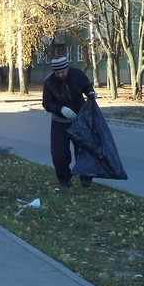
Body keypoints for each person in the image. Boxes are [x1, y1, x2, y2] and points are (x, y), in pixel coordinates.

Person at [41, 55, 97, 187]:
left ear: (67, 68)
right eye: (57, 73)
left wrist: (91, 93)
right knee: (59, 153)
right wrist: (60, 109)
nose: (60, 75)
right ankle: (65, 180)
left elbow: (87, 86)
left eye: (63, 72)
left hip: (79, 120)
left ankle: (86, 179)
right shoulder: (49, 82)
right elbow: (46, 103)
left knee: (83, 150)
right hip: (59, 123)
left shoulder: (77, 75)